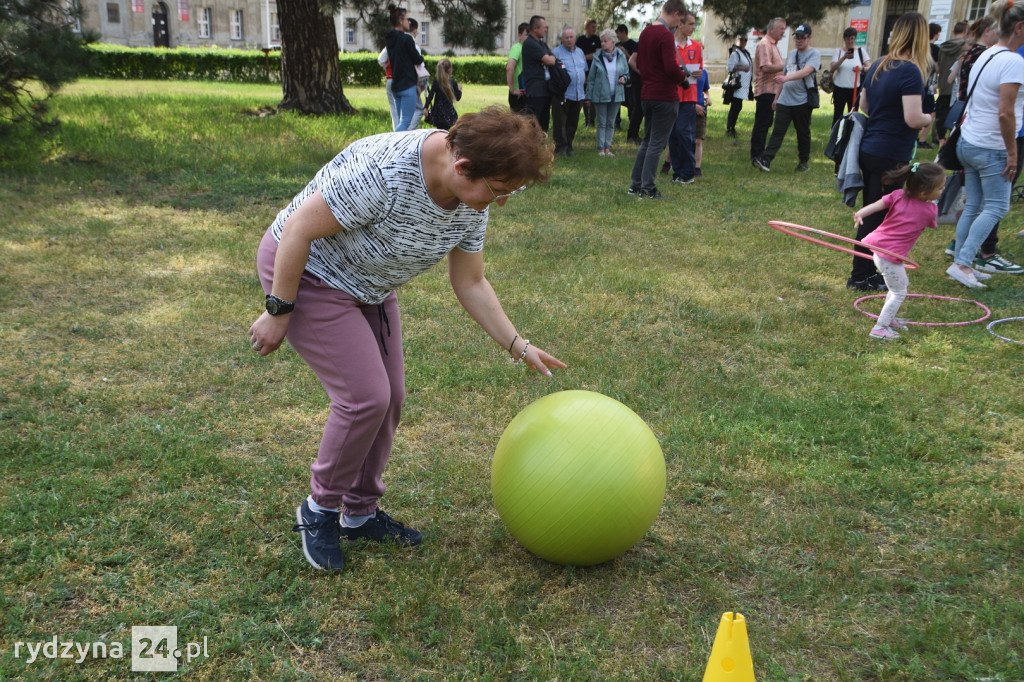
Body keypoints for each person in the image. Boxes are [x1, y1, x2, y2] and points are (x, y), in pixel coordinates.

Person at [249, 107, 566, 572]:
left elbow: (471, 283)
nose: (499, 202)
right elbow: (298, 229)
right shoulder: (385, 174)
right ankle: (318, 512)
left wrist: (518, 344)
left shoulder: (468, 198)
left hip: (371, 284)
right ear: (462, 167)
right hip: (309, 274)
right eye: (498, 191)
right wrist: (280, 309)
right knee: (364, 398)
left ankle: (358, 513)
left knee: (391, 397)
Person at [847, 12, 933, 292]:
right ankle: (861, 274)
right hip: (892, 153)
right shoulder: (909, 71)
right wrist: (930, 118)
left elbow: (866, 107)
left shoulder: (879, 65)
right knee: (881, 216)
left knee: (875, 212)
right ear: (920, 38)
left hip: (870, 148)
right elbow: (912, 118)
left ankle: (864, 271)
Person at [948, 0, 1024, 288]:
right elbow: (1005, 112)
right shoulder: (1013, 61)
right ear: (1019, 27)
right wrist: (1012, 153)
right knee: (996, 207)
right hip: (991, 147)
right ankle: (963, 262)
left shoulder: (987, 54)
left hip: (969, 141)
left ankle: (961, 260)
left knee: (975, 205)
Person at [854, 162, 945, 340]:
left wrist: (861, 213)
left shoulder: (897, 195)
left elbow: (878, 205)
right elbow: (932, 225)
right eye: (940, 188)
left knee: (896, 286)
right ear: (924, 193)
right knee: (899, 291)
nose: (942, 191)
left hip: (879, 249)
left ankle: (890, 318)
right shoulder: (930, 210)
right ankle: (880, 328)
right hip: (890, 256)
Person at [627, 0, 688, 200]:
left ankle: (635, 185)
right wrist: (683, 78)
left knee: (647, 141)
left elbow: (638, 62)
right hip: (664, 95)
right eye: (680, 20)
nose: (679, 24)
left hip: (647, 94)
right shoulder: (664, 34)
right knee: (657, 144)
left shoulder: (645, 32)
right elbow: (671, 67)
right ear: (676, 13)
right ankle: (648, 187)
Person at [754, 23, 819, 173]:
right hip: (785, 99)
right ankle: (766, 159)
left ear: (809, 38)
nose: (799, 40)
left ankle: (803, 161)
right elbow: (783, 77)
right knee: (778, 131)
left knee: (802, 132)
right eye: (797, 37)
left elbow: (805, 72)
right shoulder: (791, 54)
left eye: (802, 37)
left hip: (802, 100)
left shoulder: (814, 54)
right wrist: (777, 98)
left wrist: (786, 78)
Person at [667, 12, 702, 185]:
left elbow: (700, 70)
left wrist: (698, 73)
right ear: (680, 24)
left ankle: (688, 172)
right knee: (673, 135)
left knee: (684, 133)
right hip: (671, 95)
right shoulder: (669, 45)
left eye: (694, 24)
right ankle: (678, 171)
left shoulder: (696, 46)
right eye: (690, 24)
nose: (693, 27)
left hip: (688, 95)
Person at [586, 29, 629, 156]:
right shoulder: (597, 57)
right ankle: (600, 149)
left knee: (611, 122)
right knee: (602, 122)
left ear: (613, 42)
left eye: (605, 41)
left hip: (616, 95)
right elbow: (591, 78)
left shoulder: (620, 56)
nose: (602, 43)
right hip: (600, 95)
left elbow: (626, 73)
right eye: (602, 41)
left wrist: (624, 78)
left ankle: (607, 148)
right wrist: (588, 96)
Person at [750, 17, 786, 167]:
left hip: (773, 90)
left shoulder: (774, 45)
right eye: (781, 29)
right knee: (762, 123)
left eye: (784, 29)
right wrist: (783, 67)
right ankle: (756, 155)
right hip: (766, 90)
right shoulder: (765, 44)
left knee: (766, 123)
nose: (783, 32)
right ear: (772, 29)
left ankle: (760, 152)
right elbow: (765, 67)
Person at [384, 5, 424, 131]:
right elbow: (417, 59)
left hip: (396, 84)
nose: (409, 22)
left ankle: (398, 147)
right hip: (408, 84)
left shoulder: (390, 39)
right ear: (400, 21)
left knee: (400, 120)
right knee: (405, 122)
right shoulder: (407, 39)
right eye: (407, 19)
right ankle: (393, 146)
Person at [552, 26, 589, 157]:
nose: (569, 40)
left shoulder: (580, 52)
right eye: (566, 37)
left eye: (571, 37)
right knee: (560, 123)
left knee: (572, 122)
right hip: (563, 94)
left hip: (578, 93)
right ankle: (560, 149)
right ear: (562, 39)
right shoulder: (556, 53)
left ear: (575, 38)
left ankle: (569, 146)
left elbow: (584, 70)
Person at [830, 27, 871, 128]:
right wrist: (844, 57)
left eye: (852, 38)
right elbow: (832, 68)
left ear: (855, 38)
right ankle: (835, 136)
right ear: (844, 39)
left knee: (853, 114)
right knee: (837, 113)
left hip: (854, 88)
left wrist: (861, 69)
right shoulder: (838, 52)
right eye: (848, 39)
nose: (850, 41)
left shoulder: (861, 51)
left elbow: (869, 66)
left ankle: (850, 134)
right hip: (840, 87)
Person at [935, 20, 969, 143]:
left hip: (943, 86)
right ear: (965, 32)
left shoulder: (943, 46)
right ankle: (944, 141)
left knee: (941, 116)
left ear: (953, 31)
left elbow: (938, 66)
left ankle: (939, 139)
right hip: (957, 90)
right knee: (952, 118)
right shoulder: (965, 46)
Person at [522, 15, 557, 132]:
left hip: (545, 89)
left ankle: (541, 149)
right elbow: (549, 60)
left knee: (544, 124)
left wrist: (549, 59)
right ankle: (530, 148)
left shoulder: (542, 44)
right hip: (535, 91)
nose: (546, 29)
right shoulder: (530, 43)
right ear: (535, 29)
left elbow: (553, 58)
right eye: (544, 27)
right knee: (533, 124)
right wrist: (547, 59)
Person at [616, 24, 643, 144]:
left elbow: (630, 60)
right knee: (636, 107)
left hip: (635, 79)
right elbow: (632, 61)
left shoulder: (633, 44)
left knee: (636, 107)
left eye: (618, 32)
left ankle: (634, 134)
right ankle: (631, 135)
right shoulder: (639, 45)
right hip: (633, 79)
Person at [725, 35, 753, 138]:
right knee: (735, 106)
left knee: (738, 106)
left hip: (744, 85)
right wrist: (742, 68)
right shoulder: (735, 53)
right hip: (737, 84)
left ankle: (732, 127)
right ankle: (730, 128)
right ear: (737, 40)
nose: (743, 41)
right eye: (741, 39)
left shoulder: (745, 53)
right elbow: (730, 66)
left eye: (745, 39)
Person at [423, 58, 462, 130]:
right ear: (450, 70)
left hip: (438, 113)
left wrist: (426, 107)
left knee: (440, 131)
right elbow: (457, 97)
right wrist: (459, 90)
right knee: (447, 132)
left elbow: (431, 95)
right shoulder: (452, 83)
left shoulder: (436, 82)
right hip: (449, 113)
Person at [577, 19, 602, 127]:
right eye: (592, 27)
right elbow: (577, 55)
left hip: (594, 70)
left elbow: (596, 55)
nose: (594, 29)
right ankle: (586, 119)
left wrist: (584, 56)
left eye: (595, 27)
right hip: (583, 71)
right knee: (584, 95)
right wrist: (586, 56)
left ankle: (591, 120)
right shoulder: (580, 40)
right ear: (587, 27)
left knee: (592, 94)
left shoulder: (596, 39)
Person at [506, 22, 530, 112]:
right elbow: (509, 68)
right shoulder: (517, 48)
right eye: (526, 35)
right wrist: (512, 90)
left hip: (527, 93)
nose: (528, 38)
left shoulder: (529, 48)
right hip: (519, 94)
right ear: (520, 35)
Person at [694, 67, 710, 177]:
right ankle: (668, 162)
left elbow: (705, 90)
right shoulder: (685, 70)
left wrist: (708, 98)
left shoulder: (704, 72)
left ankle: (697, 167)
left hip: (701, 110)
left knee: (698, 140)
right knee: (679, 139)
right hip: (686, 108)